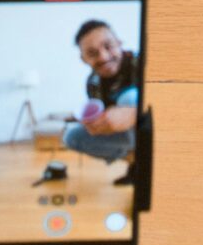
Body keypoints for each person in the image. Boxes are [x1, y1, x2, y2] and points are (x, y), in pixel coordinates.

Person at [34, 17, 140, 187]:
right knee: (71, 137)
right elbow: (101, 113)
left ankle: (148, 160)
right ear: (83, 59)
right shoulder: (92, 83)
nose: (103, 57)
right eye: (92, 53)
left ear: (119, 43)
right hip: (127, 138)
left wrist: (135, 113)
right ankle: (137, 163)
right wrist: (98, 125)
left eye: (108, 46)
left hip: (155, 131)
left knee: (128, 98)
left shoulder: (143, 63)